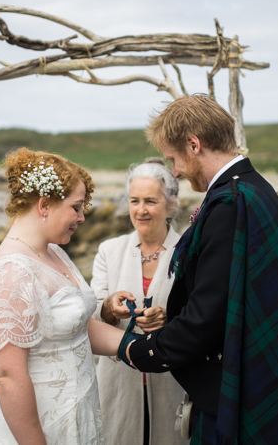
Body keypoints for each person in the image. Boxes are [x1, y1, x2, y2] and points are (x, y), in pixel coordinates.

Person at [121, 95, 278, 445]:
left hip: (245, 385)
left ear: (194, 144)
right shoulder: (259, 189)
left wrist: (134, 350)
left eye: (173, 159)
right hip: (270, 370)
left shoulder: (229, 203)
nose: (174, 171)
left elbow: (206, 317)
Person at [0, 148, 124, 445]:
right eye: (76, 207)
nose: (82, 217)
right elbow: (6, 376)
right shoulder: (10, 274)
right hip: (35, 428)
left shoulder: (54, 252)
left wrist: (141, 347)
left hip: (74, 413)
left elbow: (75, 327)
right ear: (44, 205)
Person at [91, 158, 188, 445]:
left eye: (150, 201)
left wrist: (169, 320)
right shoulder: (109, 250)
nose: (141, 210)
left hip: (173, 382)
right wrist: (109, 306)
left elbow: (202, 315)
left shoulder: (188, 250)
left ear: (171, 203)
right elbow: (91, 313)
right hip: (117, 382)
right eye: (134, 201)